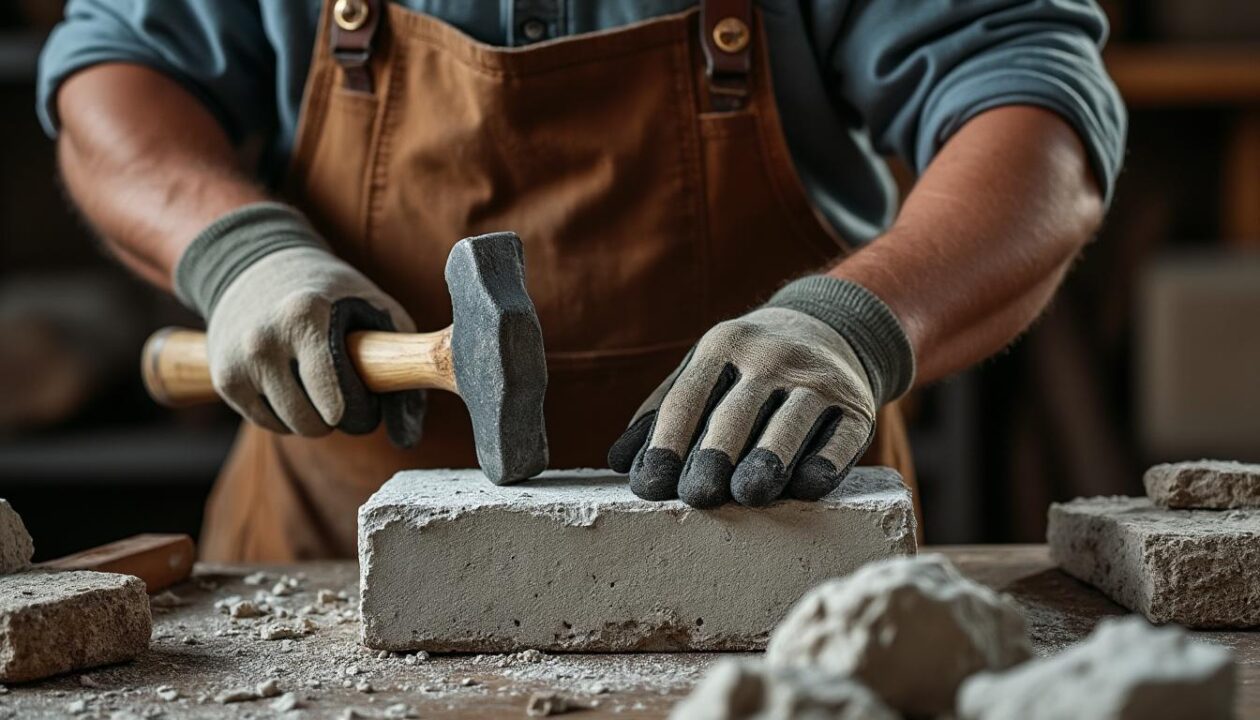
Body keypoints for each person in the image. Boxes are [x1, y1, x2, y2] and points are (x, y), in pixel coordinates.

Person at [38, 0, 1124, 561]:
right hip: (328, 550)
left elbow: (1034, 111)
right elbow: (121, 66)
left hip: (778, 545)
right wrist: (239, 254)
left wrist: (854, 322)